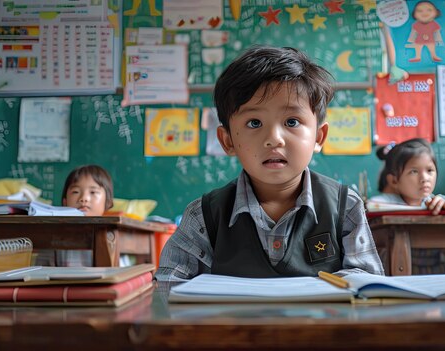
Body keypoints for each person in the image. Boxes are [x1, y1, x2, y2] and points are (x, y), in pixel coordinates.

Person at [155, 46, 384, 284]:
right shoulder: (203, 216)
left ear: (318, 137)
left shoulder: (345, 207)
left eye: (292, 121)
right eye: (254, 123)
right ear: (228, 141)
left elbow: (367, 283)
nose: (274, 138)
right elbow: (167, 288)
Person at [374, 138, 445, 274]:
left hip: (436, 272)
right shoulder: (388, 201)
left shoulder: (436, 201)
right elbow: (372, 206)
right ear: (394, 180)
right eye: (414, 171)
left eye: (430, 170)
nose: (425, 178)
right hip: (397, 272)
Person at [54, 165, 114, 266]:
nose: (84, 198)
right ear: (65, 201)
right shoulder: (52, 233)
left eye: (93, 192)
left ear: (107, 202)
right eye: (76, 192)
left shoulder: (113, 234)